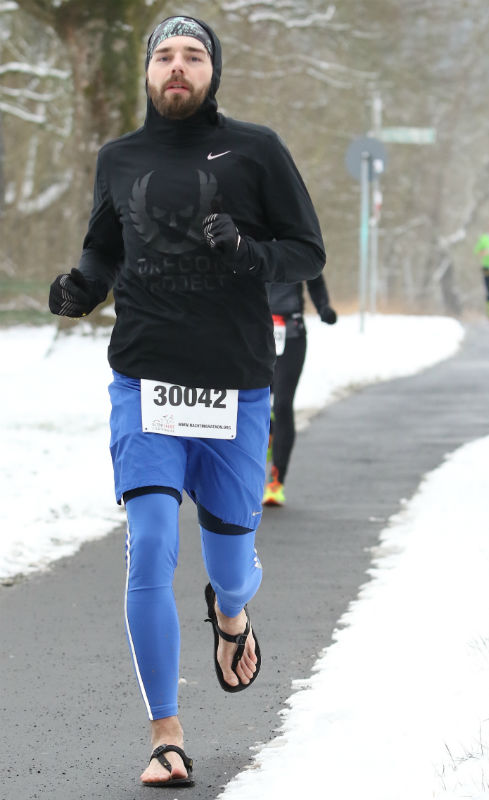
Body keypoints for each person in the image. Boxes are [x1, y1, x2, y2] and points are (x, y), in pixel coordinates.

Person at [47, 15, 325, 788]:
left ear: (213, 71)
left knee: (232, 566)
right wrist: (84, 286)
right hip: (145, 379)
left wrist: (249, 252)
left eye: (193, 55)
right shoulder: (119, 158)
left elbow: (308, 250)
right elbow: (106, 245)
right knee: (151, 544)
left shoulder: (257, 150)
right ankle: (166, 734)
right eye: (164, 55)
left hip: (235, 384)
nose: (177, 66)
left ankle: (231, 614)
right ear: (147, 71)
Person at [263, 277, 337, 506]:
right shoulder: (246, 241)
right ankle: (269, 432)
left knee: (283, 404)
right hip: (256, 331)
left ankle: (276, 481)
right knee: (256, 403)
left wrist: (323, 306)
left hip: (291, 333)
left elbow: (314, 276)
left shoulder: (294, 241)